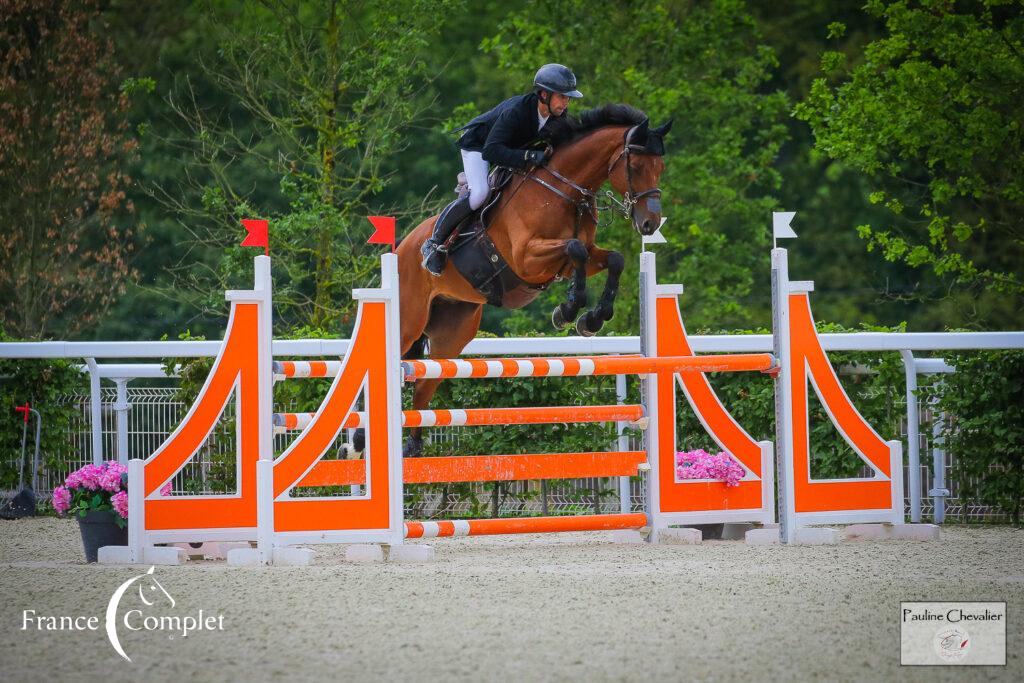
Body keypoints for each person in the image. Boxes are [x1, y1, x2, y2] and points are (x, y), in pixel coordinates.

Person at [420, 63, 583, 276]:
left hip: (508, 148)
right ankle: (433, 244)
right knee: (480, 194)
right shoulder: (517, 111)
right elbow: (492, 151)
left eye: (568, 98)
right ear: (544, 94)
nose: (566, 102)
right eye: (562, 96)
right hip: (479, 147)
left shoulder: (557, 114)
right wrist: (530, 156)